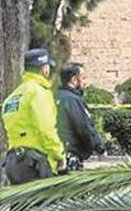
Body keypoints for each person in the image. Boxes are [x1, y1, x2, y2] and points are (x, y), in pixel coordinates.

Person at [2, 49, 66, 184]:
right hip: (34, 164)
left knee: (21, 205)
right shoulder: (39, 92)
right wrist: (59, 155)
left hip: (14, 162)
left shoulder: (13, 97)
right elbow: (46, 129)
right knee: (44, 205)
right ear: (45, 69)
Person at [57, 63, 106, 167]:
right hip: (69, 157)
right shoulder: (73, 100)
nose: (85, 82)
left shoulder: (51, 97)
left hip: (52, 156)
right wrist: (99, 147)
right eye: (83, 78)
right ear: (74, 80)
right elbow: (84, 127)